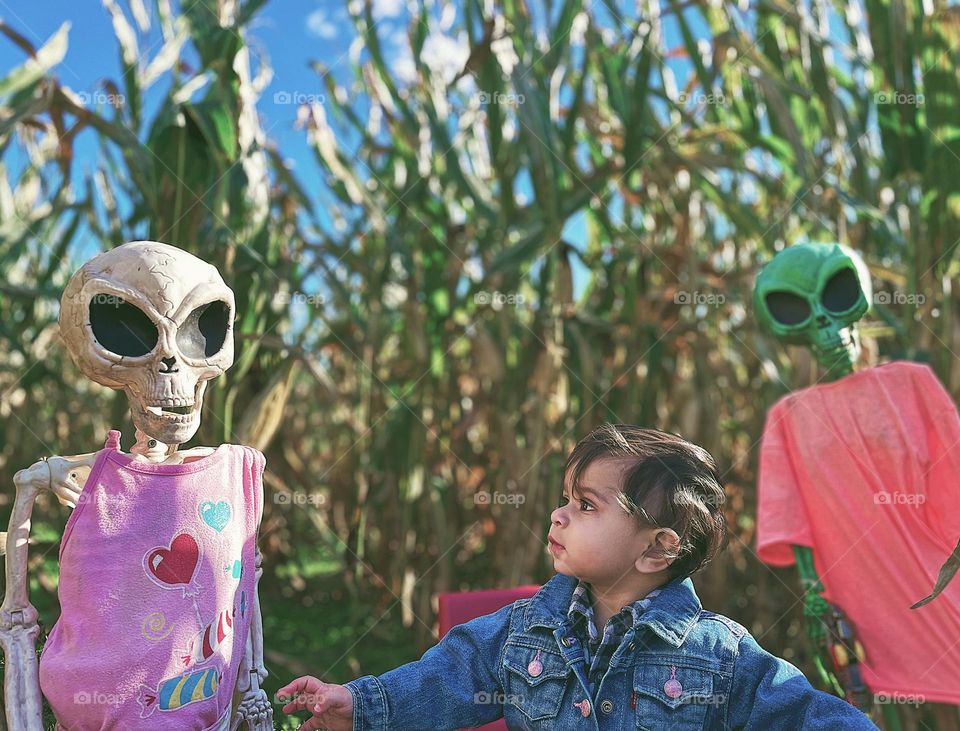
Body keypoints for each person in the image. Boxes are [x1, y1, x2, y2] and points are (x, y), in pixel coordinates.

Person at [278, 423, 879, 730]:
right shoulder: (519, 635)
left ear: (656, 549)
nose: (559, 514)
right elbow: (444, 678)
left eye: (586, 505)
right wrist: (356, 702)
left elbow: (800, 712)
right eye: (566, 498)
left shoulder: (717, 655)